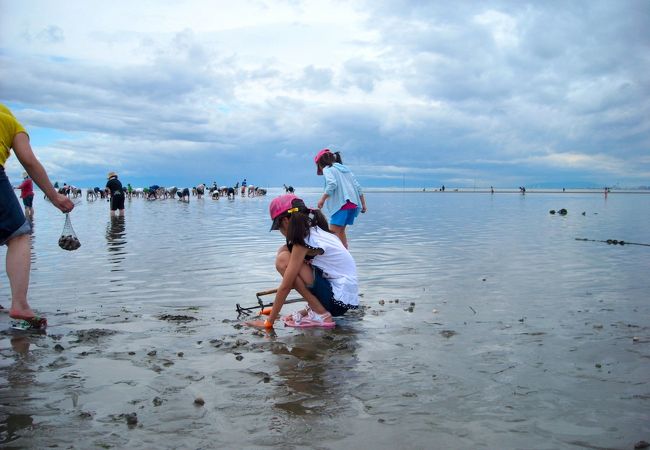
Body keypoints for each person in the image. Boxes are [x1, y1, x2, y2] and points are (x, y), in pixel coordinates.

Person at [0, 103, 74, 322]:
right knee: (19, 235)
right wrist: (54, 196)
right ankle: (20, 305)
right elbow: (29, 161)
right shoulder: (10, 122)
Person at [246, 194, 359, 329]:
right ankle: (314, 309)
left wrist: (268, 322)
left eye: (279, 227)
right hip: (342, 300)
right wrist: (304, 311)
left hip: (336, 302)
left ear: (286, 221)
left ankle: (321, 314)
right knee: (283, 252)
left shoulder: (303, 242)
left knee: (283, 261)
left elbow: (286, 286)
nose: (281, 232)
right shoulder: (315, 230)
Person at [314, 148, 367, 248]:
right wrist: (363, 204)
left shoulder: (328, 169)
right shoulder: (345, 169)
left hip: (342, 204)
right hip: (353, 204)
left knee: (332, 233)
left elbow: (332, 184)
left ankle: (336, 258)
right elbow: (358, 187)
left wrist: (322, 199)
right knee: (341, 231)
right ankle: (345, 253)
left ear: (320, 163)